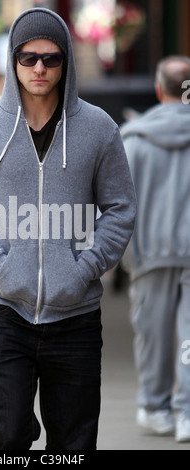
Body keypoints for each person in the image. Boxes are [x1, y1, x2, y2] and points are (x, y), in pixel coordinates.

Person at [0, 8, 136, 450]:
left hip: (77, 316)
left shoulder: (98, 129)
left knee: (73, 445)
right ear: (13, 61)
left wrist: (86, 267)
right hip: (5, 311)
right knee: (6, 437)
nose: (40, 68)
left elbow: (120, 207)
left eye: (51, 59)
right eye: (28, 58)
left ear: (66, 61)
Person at [121, 55, 190, 443]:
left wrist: (127, 258)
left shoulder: (133, 138)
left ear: (158, 88)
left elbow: (116, 205)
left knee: (153, 335)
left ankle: (153, 405)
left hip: (150, 254)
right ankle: (187, 412)